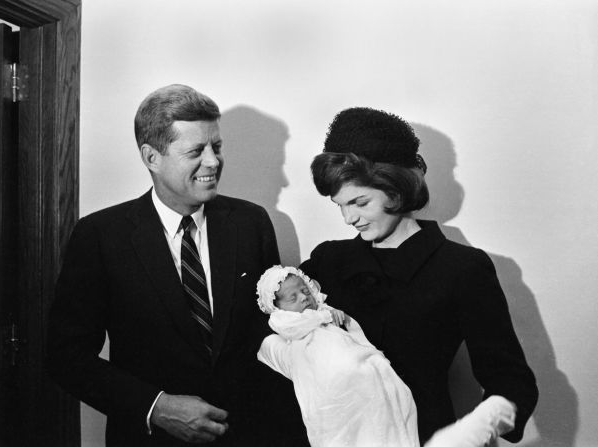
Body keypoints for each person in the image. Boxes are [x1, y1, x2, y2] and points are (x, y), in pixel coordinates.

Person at [46, 84, 307, 446]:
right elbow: (66, 357)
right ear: (152, 157)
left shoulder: (251, 223)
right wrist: (156, 407)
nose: (213, 162)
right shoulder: (100, 236)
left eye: (216, 147)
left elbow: (272, 329)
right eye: (196, 151)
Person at [299, 107, 538, 445]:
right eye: (341, 205)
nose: (349, 218)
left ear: (396, 190)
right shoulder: (328, 261)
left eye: (360, 202)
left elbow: (512, 382)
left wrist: (466, 434)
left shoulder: (463, 268)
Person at [256, 265, 420, 447]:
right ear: (278, 308)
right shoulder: (285, 321)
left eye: (305, 291)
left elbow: (351, 331)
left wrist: (332, 314)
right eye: (293, 298)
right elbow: (290, 331)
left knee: (380, 400)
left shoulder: (323, 310)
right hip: (327, 383)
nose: (304, 298)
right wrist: (322, 317)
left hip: (356, 366)